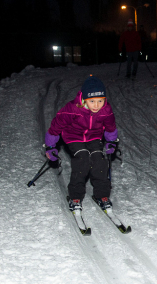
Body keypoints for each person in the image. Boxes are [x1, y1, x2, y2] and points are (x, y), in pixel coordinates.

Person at [44, 75, 119, 213]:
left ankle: (102, 195)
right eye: (92, 101)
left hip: (94, 136)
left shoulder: (106, 110)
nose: (96, 105)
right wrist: (50, 146)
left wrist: (111, 142)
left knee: (99, 161)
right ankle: (75, 197)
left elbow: (110, 127)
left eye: (100, 101)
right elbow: (55, 127)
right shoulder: (72, 108)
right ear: (84, 99)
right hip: (74, 136)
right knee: (83, 160)